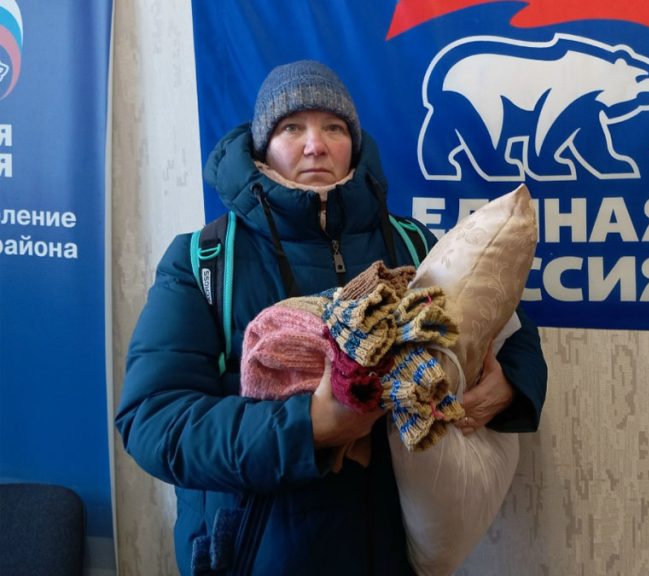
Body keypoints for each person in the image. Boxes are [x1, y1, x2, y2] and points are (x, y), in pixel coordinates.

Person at [116, 60, 547, 575]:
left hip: (392, 553)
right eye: (291, 127)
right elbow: (154, 420)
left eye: (334, 128)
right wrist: (309, 428)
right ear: (262, 147)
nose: (315, 145)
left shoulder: (413, 244)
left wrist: (510, 387)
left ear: (354, 145)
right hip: (259, 557)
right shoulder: (205, 260)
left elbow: (507, 321)